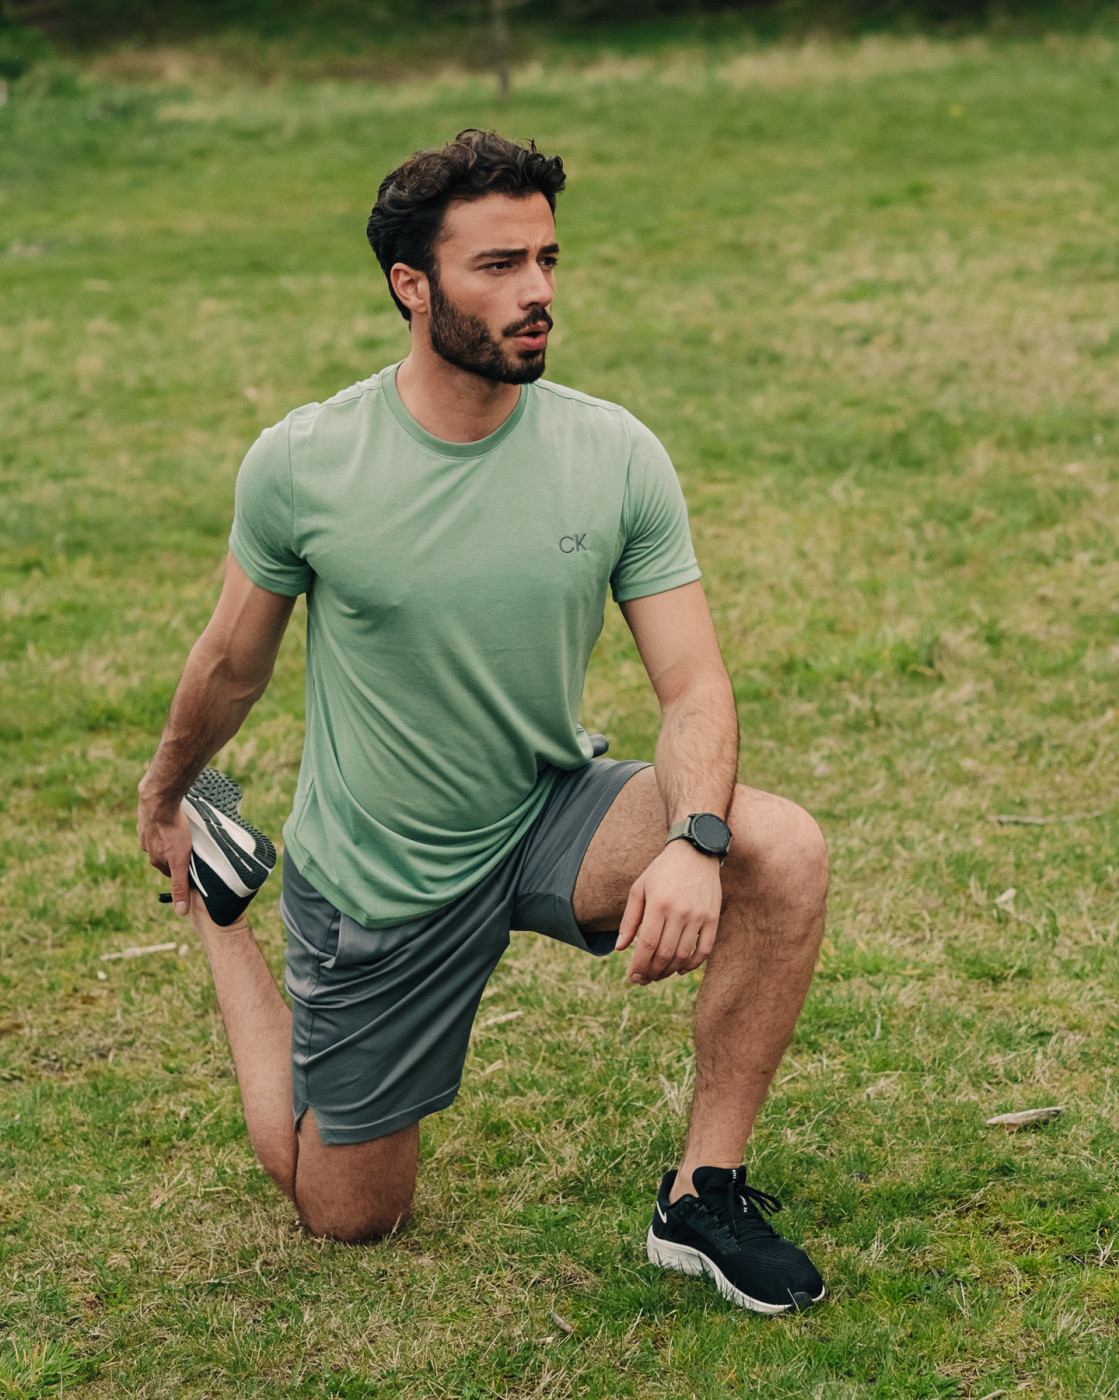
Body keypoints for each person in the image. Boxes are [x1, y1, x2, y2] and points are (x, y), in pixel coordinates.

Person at [137, 129, 829, 1314]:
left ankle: (701, 1195)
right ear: (412, 284)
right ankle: (220, 906)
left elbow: (695, 686)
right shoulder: (306, 463)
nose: (538, 290)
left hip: (545, 805)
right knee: (350, 1214)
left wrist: (696, 838)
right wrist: (167, 790)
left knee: (785, 846)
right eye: (500, 265)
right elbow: (232, 664)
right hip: (385, 873)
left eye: (547, 259)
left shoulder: (613, 453)